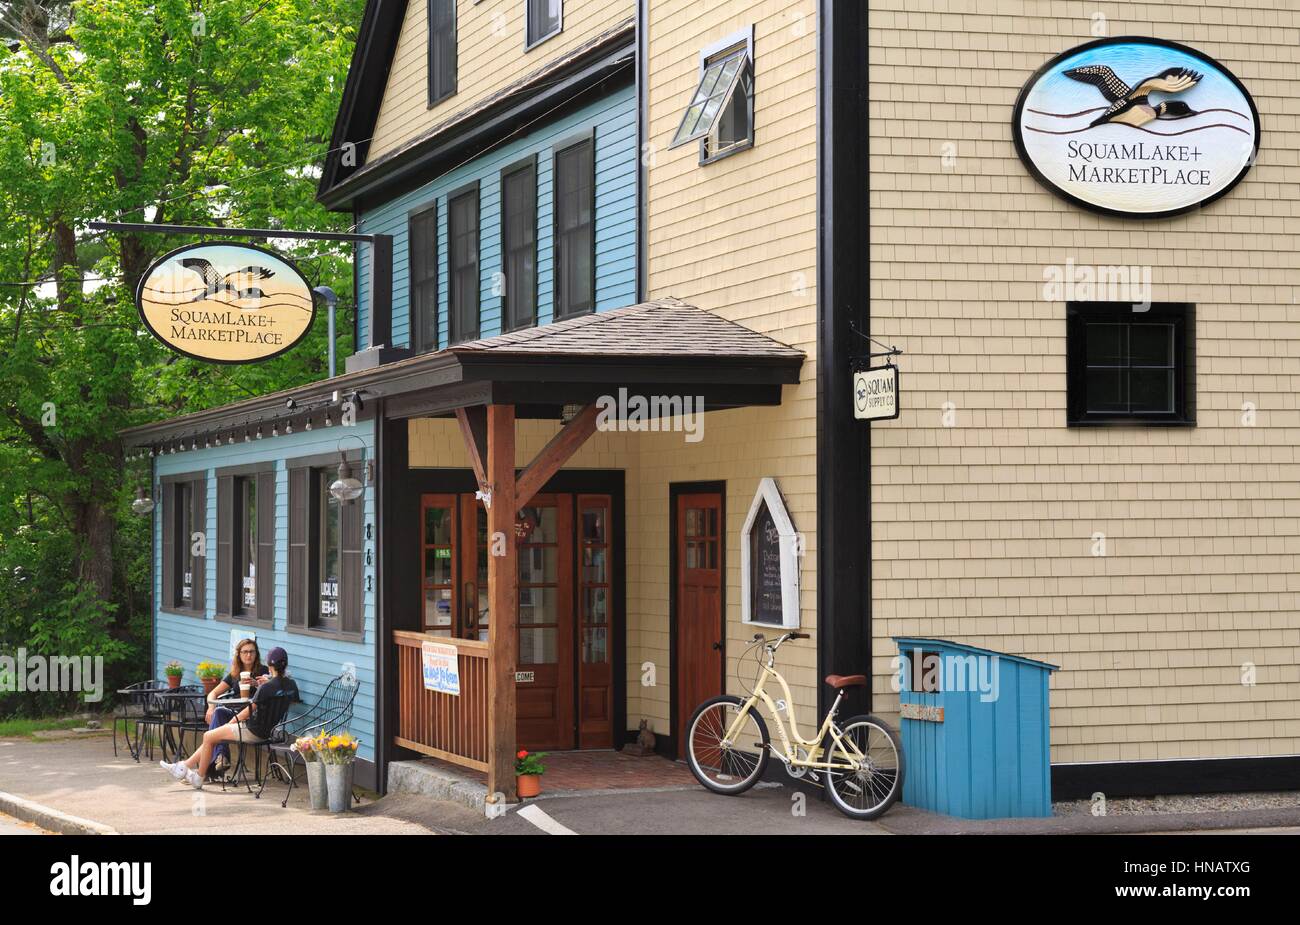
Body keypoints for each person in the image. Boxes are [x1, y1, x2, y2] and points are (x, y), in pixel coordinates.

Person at [160, 646, 298, 790]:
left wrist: (231, 722)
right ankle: (184, 767)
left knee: (208, 736)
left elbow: (248, 712)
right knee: (212, 736)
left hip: (253, 730)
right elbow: (290, 699)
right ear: (285, 664)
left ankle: (197, 777)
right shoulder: (291, 685)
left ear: (269, 665)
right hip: (270, 731)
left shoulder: (266, 687)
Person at [205, 638, 268, 777]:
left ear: (256, 654)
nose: (248, 655)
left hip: (252, 716)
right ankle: (221, 758)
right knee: (219, 712)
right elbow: (213, 693)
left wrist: (257, 684)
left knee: (215, 728)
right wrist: (210, 707)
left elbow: (271, 691)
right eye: (244, 652)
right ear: (239, 655)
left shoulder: (263, 672)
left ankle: (215, 763)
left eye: (252, 652)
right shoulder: (234, 674)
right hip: (234, 713)